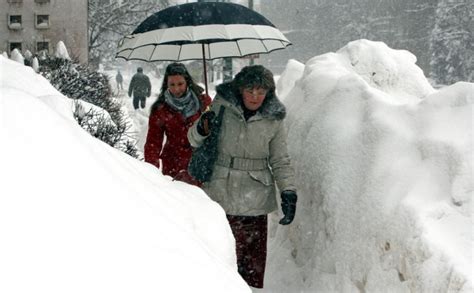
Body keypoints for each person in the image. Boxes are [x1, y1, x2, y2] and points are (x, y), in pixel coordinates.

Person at [187, 65, 298, 289]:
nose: (255, 96)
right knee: (220, 261)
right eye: (250, 90)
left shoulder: (274, 119)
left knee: (251, 268)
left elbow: (280, 160)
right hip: (220, 196)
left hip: (254, 201)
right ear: (240, 89)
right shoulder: (220, 107)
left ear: (269, 92)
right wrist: (202, 127)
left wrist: (288, 191)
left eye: (261, 90)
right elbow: (193, 140)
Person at [144, 63, 211, 186]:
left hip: (199, 164)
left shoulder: (202, 103)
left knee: (200, 202)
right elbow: (153, 144)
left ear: (187, 82)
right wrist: (151, 173)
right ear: (166, 85)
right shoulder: (160, 109)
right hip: (173, 166)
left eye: (180, 84)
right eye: (172, 84)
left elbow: (214, 134)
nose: (176, 89)